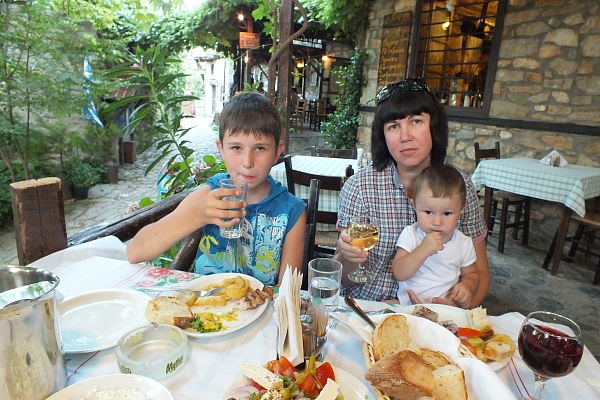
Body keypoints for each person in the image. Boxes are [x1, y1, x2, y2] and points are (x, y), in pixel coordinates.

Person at [334, 77, 489, 308]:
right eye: (393, 126)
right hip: (367, 309)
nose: (405, 136)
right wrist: (348, 257)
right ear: (383, 135)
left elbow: (480, 274)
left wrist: (455, 308)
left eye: (416, 121)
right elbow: (343, 277)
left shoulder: (459, 186)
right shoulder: (360, 187)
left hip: (436, 311)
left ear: (434, 126)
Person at [126, 92, 307, 286]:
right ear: (221, 149)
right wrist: (199, 214)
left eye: (260, 148)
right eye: (236, 147)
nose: (247, 162)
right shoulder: (209, 195)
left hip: (260, 304)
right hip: (205, 301)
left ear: (277, 152)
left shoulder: (291, 211)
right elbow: (135, 251)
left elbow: (287, 291)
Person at [391, 164, 479, 307]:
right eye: (428, 212)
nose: (437, 222)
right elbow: (399, 273)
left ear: (461, 209)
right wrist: (423, 250)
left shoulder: (463, 243)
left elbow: (472, 274)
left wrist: (468, 286)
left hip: (445, 308)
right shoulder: (411, 234)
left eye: (447, 213)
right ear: (415, 206)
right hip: (407, 306)